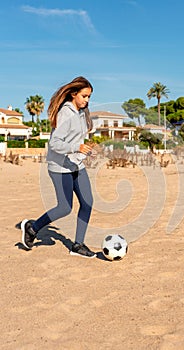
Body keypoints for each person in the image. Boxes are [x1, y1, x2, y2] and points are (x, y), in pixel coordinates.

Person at [21, 76, 96, 258]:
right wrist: (76, 147)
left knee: (87, 202)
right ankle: (33, 228)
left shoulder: (79, 113)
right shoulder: (66, 113)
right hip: (60, 167)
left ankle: (78, 245)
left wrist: (83, 150)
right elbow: (54, 143)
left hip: (76, 164)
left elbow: (74, 139)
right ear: (73, 94)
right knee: (64, 207)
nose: (86, 100)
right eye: (84, 96)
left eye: (89, 97)